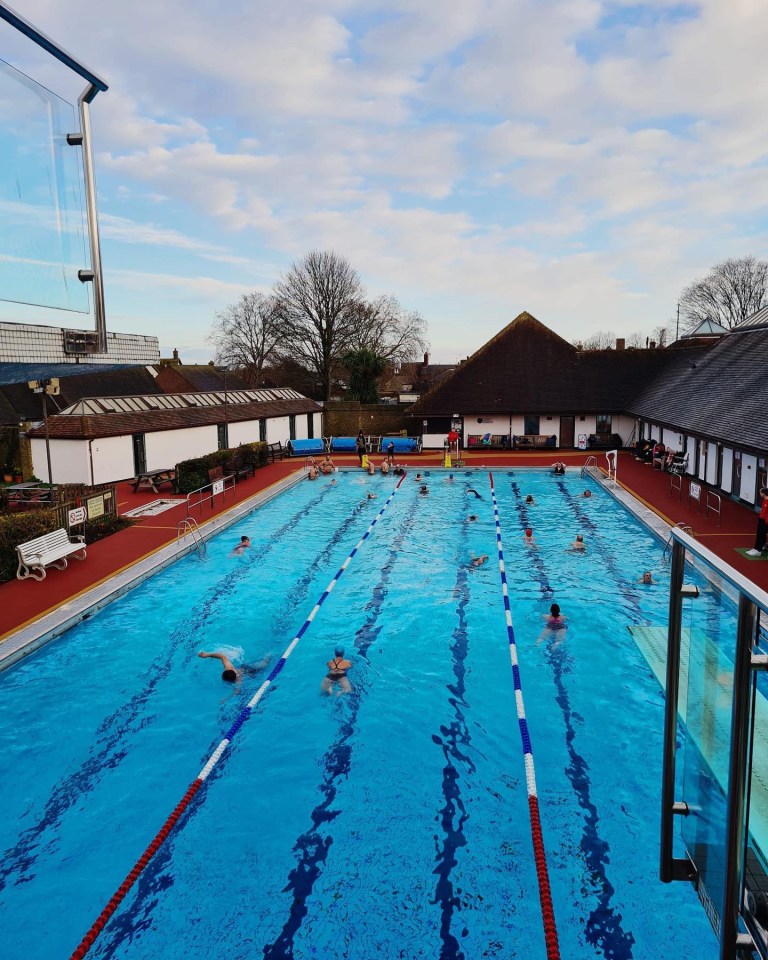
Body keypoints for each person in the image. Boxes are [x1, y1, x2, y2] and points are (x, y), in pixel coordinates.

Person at [198, 650, 269, 683]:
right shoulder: (229, 668)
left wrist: (226, 699)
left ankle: (269, 656)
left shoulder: (238, 680)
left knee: (264, 665)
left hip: (250, 672)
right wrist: (207, 654)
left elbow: (236, 692)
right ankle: (267, 656)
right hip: (243, 667)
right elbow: (222, 656)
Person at [747, 487, 768, 556]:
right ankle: (756, 548)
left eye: (760, 492)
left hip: (765, 521)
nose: (760, 494)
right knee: (759, 534)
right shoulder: (764, 501)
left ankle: (759, 550)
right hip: (761, 519)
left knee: (762, 535)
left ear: (764, 493)